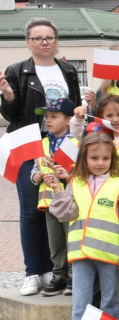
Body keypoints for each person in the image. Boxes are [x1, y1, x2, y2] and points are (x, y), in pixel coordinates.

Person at [0, 18, 83, 296]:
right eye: (38, 38)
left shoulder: (69, 70)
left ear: (56, 41)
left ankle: (57, 270)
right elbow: (10, 115)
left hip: (64, 146)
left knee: (60, 207)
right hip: (30, 146)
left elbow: (73, 107)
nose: (44, 42)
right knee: (30, 210)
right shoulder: (17, 71)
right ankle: (33, 272)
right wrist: (9, 95)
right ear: (28, 43)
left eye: (49, 37)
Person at [46, 133, 119, 320]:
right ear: (84, 159)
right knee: (81, 302)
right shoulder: (74, 183)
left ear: (112, 160)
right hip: (81, 254)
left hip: (109, 255)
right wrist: (58, 190)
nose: (100, 162)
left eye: (105, 158)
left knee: (109, 301)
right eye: (94, 158)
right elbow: (66, 214)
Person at [32, 97, 78, 296]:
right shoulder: (42, 143)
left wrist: (63, 172)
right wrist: (37, 175)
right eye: (47, 117)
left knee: (71, 238)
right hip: (49, 202)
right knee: (55, 241)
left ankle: (74, 275)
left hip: (69, 201)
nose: (48, 121)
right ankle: (59, 274)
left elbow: (80, 173)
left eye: (54, 116)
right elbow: (34, 170)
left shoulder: (75, 142)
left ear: (68, 120)